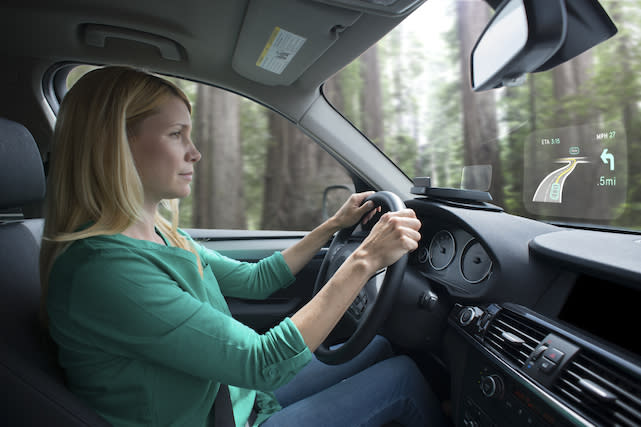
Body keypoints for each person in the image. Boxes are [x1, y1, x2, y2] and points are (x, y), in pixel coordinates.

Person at [40, 66, 446, 427]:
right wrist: (365, 258)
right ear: (116, 146)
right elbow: (262, 362)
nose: (194, 152)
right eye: (175, 134)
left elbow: (256, 279)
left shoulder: (158, 234)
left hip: (232, 400)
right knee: (402, 379)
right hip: (221, 413)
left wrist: (333, 226)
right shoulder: (106, 270)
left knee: (378, 347)